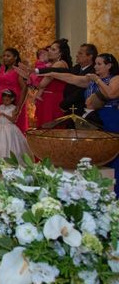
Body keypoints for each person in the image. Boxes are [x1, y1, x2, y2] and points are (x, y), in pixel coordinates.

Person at [39, 53, 119, 193]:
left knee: (110, 152)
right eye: (96, 64)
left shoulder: (115, 79)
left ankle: (113, 190)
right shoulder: (91, 80)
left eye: (99, 64)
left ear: (109, 65)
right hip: (91, 118)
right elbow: (72, 78)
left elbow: (111, 94)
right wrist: (52, 73)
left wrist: (98, 80)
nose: (95, 66)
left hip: (109, 117)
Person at [32, 43, 97, 115]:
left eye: (80, 53)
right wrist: (37, 70)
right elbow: (60, 71)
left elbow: (79, 89)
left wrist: (64, 104)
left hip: (82, 109)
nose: (77, 55)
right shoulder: (77, 67)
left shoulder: (94, 71)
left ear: (90, 56)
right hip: (69, 109)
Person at [0, 47, 28, 133]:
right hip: (1, 99)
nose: (5, 58)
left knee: (13, 127)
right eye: (4, 56)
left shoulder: (18, 70)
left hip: (14, 100)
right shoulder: (2, 68)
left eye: (8, 56)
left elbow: (24, 88)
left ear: (15, 57)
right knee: (0, 125)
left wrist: (19, 106)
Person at [34, 39, 72, 127]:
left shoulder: (59, 64)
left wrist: (32, 80)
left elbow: (42, 84)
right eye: (50, 49)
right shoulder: (52, 64)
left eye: (53, 50)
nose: (49, 51)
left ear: (60, 53)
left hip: (53, 100)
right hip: (48, 98)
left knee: (50, 128)